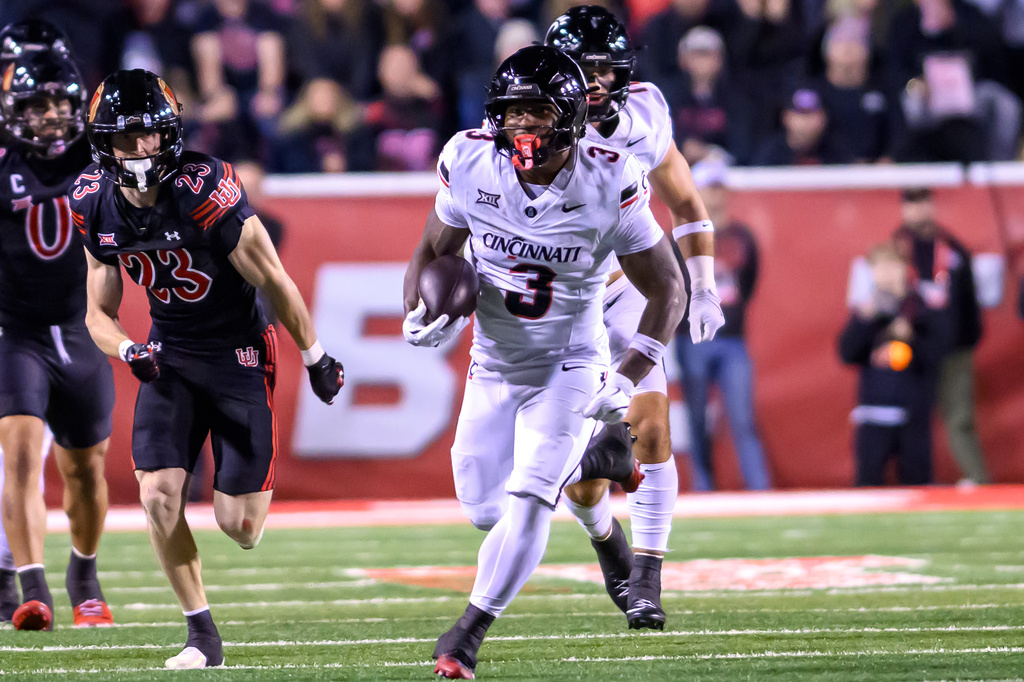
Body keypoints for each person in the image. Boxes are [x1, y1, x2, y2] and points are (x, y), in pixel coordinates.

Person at [402, 45, 687, 679]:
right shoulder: (469, 159)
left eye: (535, 111)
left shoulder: (609, 176)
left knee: (530, 497)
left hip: (571, 363)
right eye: (511, 113)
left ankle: (467, 635)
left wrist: (629, 374)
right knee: (483, 509)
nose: (522, 127)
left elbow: (669, 287)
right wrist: (415, 313)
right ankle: (595, 467)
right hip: (495, 362)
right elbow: (432, 249)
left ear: (566, 114)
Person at [73, 69, 343, 668]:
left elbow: (272, 277)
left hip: (239, 351)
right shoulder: (92, 200)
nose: (140, 149)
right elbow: (97, 311)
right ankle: (202, 636)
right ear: (102, 143)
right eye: (125, 138)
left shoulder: (203, 187)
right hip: (170, 352)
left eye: (149, 136)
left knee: (240, 527)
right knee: (158, 496)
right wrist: (128, 349)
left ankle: (236, 521)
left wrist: (316, 355)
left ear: (169, 135)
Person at [544, 5, 724, 631]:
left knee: (652, 433)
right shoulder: (524, 125)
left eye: (603, 67)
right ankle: (607, 543)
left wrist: (701, 285)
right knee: (580, 484)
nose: (593, 80)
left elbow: (686, 199)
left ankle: (645, 581)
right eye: (581, 68)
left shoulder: (643, 114)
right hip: (561, 308)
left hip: (625, 291)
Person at [0, 24, 117, 632]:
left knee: (84, 469)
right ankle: (31, 588)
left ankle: (84, 574)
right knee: (19, 455)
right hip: (17, 331)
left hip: (81, 329)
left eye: (60, 104)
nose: (50, 116)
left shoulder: (101, 156)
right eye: (37, 105)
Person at [675, 158, 771, 491]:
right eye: (709, 188)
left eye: (719, 188)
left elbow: (750, 282)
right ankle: (705, 488)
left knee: (743, 418)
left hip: (732, 339)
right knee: (698, 419)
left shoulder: (742, 236)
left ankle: (760, 489)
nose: (715, 195)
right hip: (694, 339)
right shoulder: (682, 235)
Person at [893, 186, 988, 484]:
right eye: (911, 203)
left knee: (959, 417)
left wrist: (965, 341)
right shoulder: (897, 248)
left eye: (922, 202)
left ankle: (978, 478)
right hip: (913, 347)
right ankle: (916, 480)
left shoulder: (951, 248)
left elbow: (969, 301)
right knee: (912, 416)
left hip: (952, 347)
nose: (918, 210)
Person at [839, 241, 950, 485]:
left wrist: (913, 337)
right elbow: (847, 354)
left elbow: (937, 354)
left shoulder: (919, 307)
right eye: (881, 267)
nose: (887, 273)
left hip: (912, 413)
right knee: (868, 485)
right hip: (875, 413)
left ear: (904, 268)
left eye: (893, 266)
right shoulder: (867, 309)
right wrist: (864, 321)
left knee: (917, 483)